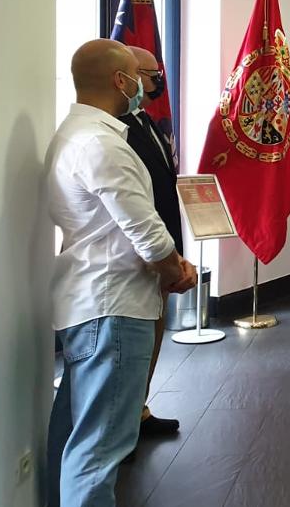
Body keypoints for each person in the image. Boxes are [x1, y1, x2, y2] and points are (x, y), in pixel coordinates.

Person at [47, 39, 198, 507]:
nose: (145, 85)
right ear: (120, 81)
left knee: (73, 438)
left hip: (88, 303)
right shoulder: (101, 144)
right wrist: (175, 270)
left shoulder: (75, 132)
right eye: (139, 74)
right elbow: (145, 230)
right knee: (98, 451)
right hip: (113, 307)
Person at [121, 46, 184, 438]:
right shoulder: (115, 131)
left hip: (162, 247)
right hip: (137, 255)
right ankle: (123, 422)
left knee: (155, 329)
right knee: (135, 340)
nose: (156, 80)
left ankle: (138, 410)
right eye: (150, 74)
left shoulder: (146, 120)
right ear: (126, 78)